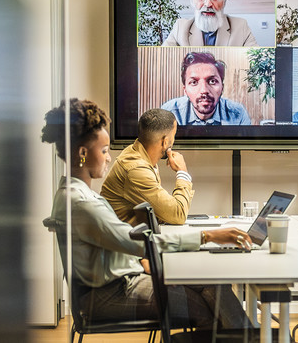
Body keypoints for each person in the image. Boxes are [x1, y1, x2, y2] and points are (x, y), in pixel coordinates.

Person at [41, 99, 252, 330]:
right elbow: (142, 242)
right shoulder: (81, 202)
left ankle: (250, 336)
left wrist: (142, 258)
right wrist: (208, 236)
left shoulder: (77, 194)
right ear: (83, 153)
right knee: (204, 309)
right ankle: (250, 336)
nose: (109, 157)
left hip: (120, 280)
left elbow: (123, 240)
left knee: (213, 283)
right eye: (103, 151)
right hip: (109, 295)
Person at [101, 108, 194, 225]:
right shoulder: (136, 168)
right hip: (122, 241)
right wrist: (182, 172)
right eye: (174, 135)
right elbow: (178, 215)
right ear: (165, 142)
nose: (173, 140)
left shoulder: (141, 156)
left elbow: (160, 212)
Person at [162, 0, 258, 47]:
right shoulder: (181, 27)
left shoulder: (240, 27)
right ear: (192, 0)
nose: (208, 4)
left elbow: (255, 62)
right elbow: (163, 60)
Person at [161, 51, 251, 125]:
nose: (204, 90)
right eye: (194, 82)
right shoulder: (169, 113)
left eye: (212, 81)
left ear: (222, 87)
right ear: (185, 90)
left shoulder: (238, 114)